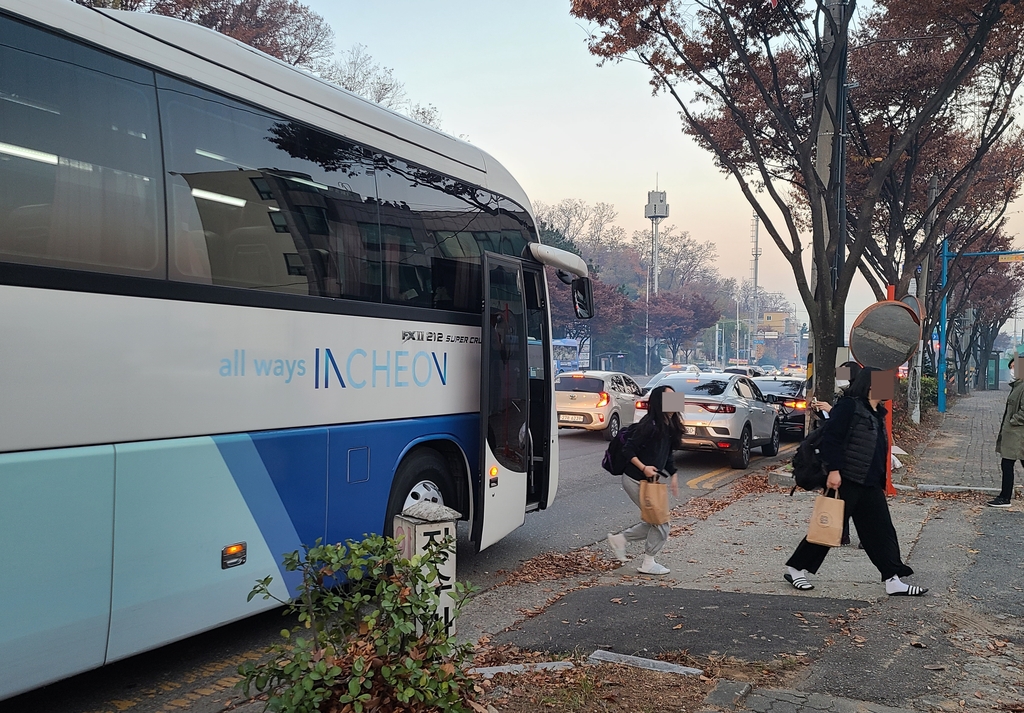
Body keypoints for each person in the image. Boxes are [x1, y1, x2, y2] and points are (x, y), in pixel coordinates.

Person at [784, 367, 928, 596]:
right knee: (828, 528)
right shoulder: (849, 406)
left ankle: (893, 578)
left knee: (882, 531)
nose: (890, 387)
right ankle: (796, 568)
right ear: (871, 385)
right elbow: (831, 438)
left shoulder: (877, 412)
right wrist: (834, 471)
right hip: (846, 480)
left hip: (869, 483)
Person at [606, 385, 682, 575]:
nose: (675, 401)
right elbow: (628, 449)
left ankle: (620, 540)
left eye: (675, 397)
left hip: (650, 483)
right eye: (669, 398)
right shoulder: (650, 425)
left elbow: (667, 455)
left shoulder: (668, 425)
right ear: (659, 402)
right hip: (634, 479)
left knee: (653, 521)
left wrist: (673, 474)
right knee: (661, 523)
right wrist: (644, 467)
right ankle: (648, 563)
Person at [810, 360, 863, 546]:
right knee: (847, 498)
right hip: (855, 457)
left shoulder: (854, 399)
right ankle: (843, 534)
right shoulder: (847, 395)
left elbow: (850, 424)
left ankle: (841, 534)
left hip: (854, 456)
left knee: (850, 499)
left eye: (842, 374)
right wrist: (823, 413)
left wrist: (831, 411)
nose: (839, 379)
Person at [992, 357, 1024, 508]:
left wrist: (1013, 421)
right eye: (1011, 367)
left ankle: (1005, 497)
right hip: (1014, 433)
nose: (1012, 370)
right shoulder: (1017, 385)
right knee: (1008, 463)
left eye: (1015, 367)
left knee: (1007, 463)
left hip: (1017, 433)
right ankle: (1004, 497)